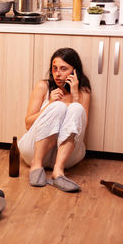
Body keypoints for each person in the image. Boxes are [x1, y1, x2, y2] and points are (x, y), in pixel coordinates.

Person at [18, 48, 91, 192]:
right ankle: (36, 165)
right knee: (57, 106)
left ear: (74, 71)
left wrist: (75, 96)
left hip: (66, 156)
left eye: (63, 69)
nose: (57, 73)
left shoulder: (84, 92)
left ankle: (58, 171)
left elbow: (81, 129)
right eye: (54, 68)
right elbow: (28, 124)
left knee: (76, 108)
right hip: (35, 151)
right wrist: (50, 104)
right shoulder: (43, 86)